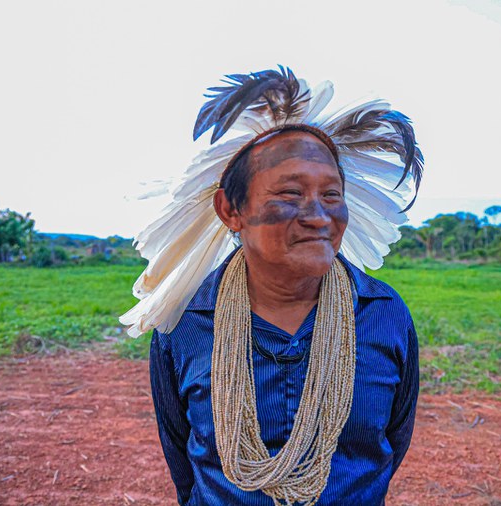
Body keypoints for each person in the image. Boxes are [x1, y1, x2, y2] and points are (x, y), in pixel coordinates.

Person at [121, 67, 423, 506]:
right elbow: (181, 456)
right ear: (230, 209)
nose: (319, 216)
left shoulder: (382, 313)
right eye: (289, 194)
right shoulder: (185, 322)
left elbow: (393, 441)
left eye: (333, 195)